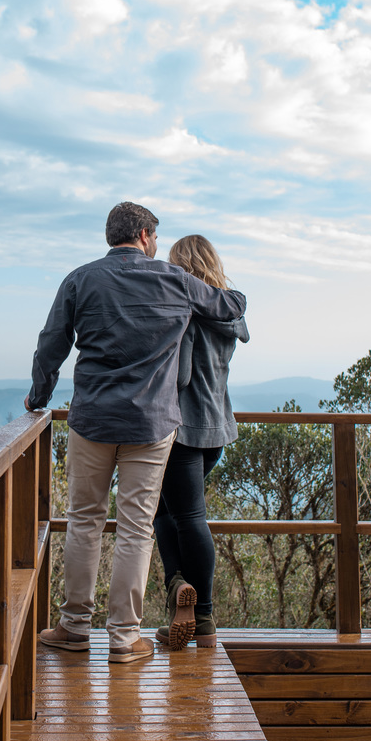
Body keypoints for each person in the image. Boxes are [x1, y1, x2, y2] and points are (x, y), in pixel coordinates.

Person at [25, 203, 246, 664]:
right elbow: (232, 305)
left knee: (84, 519)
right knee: (137, 527)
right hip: (152, 425)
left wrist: (38, 395)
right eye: (156, 239)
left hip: (92, 420)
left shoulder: (80, 280)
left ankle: (74, 627)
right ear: (144, 235)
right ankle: (125, 638)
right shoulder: (174, 280)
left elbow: (52, 345)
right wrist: (215, 285)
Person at [153, 235, 249, 650]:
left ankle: (190, 600)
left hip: (185, 429)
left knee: (175, 514)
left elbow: (182, 376)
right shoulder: (227, 312)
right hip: (217, 428)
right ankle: (191, 611)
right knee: (180, 513)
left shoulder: (189, 312)